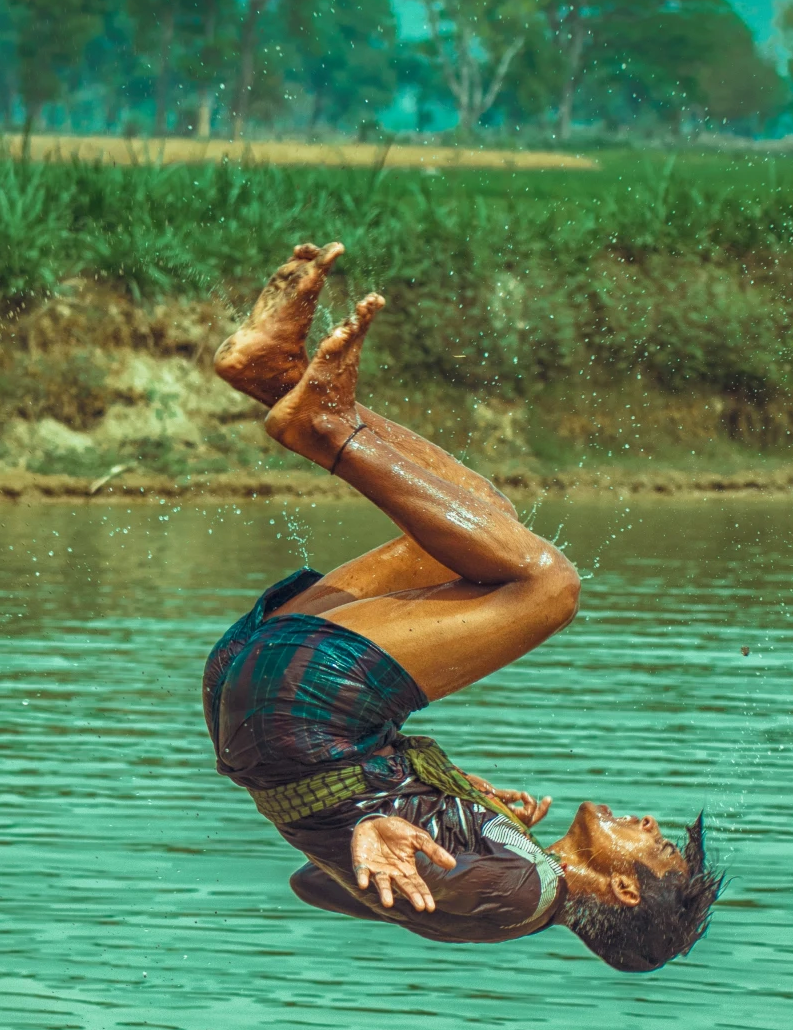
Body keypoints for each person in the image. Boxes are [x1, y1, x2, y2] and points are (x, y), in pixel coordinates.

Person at [203, 243, 723, 971]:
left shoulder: (523, 895)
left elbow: (349, 866)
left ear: (625, 891)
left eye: (656, 845)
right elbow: (307, 885)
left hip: (307, 715)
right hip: (255, 707)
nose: (646, 822)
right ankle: (276, 378)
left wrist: (375, 825)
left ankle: (322, 426)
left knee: (549, 584)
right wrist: (427, 808)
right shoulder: (510, 876)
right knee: (481, 524)